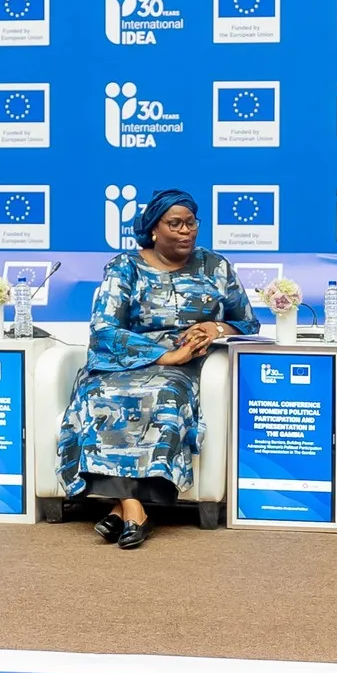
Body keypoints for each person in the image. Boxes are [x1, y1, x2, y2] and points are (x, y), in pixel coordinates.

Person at [56, 190, 258, 550]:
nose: (185, 231)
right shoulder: (125, 267)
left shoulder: (216, 267)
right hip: (123, 362)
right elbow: (104, 329)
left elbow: (247, 322)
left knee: (162, 394)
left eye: (191, 223)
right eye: (175, 224)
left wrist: (218, 328)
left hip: (187, 367)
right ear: (153, 229)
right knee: (101, 394)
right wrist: (164, 356)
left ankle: (122, 510)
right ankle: (134, 510)